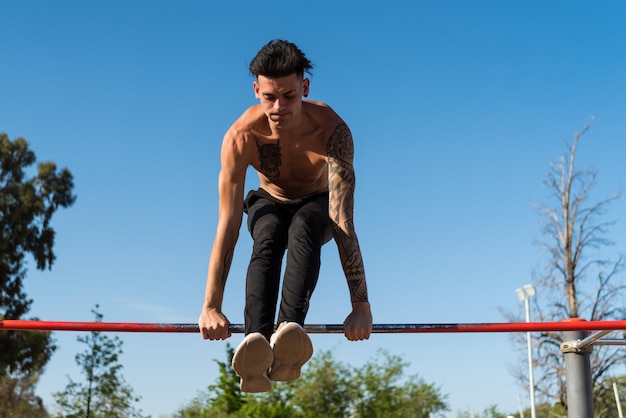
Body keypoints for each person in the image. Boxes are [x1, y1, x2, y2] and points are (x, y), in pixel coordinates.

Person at [198, 39, 373, 392]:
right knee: (269, 232)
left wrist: (361, 305)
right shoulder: (241, 136)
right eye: (269, 97)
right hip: (270, 199)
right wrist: (211, 306)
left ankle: (289, 337)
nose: (278, 107)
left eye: (289, 96)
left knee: (306, 225)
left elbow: (342, 222)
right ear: (256, 90)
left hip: (317, 201)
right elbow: (228, 226)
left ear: (304, 87)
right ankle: (255, 345)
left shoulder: (331, 131)